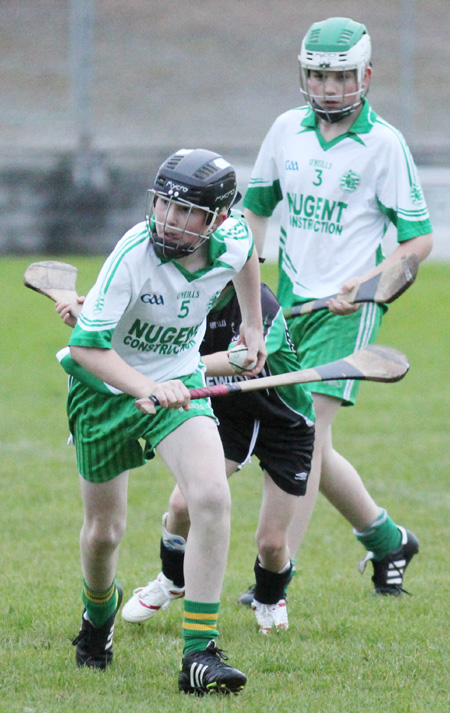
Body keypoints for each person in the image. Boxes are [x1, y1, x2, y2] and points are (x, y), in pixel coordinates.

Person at [59, 148, 267, 695]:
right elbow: (86, 349)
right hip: (104, 392)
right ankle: (96, 620)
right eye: (163, 205)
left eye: (187, 211)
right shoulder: (132, 255)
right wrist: (146, 387)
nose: (169, 220)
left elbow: (248, 259)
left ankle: (199, 653)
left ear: (218, 219)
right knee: (105, 533)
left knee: (211, 496)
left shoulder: (232, 238)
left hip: (179, 379)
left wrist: (252, 327)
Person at [241, 17, 433, 602]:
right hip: (291, 302)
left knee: (306, 432)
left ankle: (278, 574)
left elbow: (417, 240)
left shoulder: (385, 145)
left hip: (349, 310)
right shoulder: (284, 132)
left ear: (366, 76)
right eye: (318, 76)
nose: (328, 88)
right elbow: (255, 209)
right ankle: (387, 540)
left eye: (341, 76)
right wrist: (244, 280)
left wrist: (368, 282)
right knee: (313, 445)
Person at [117, 280, 316, 634]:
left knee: (271, 542)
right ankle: (173, 578)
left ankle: (270, 598)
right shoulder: (186, 296)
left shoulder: (258, 302)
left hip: (285, 425)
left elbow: (246, 360)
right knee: (181, 506)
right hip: (228, 420)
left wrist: (176, 370)